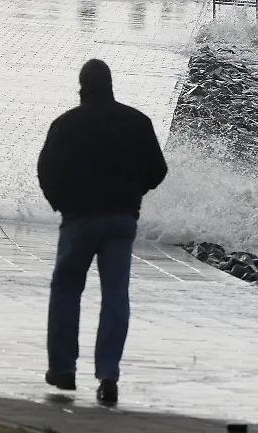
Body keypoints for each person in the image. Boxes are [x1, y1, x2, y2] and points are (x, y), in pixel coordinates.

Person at [37, 58, 168, 406]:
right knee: (115, 295)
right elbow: (158, 170)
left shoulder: (66, 125)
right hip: (121, 219)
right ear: (111, 85)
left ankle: (63, 370)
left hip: (79, 218)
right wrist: (133, 193)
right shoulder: (137, 122)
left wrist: (61, 202)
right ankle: (108, 374)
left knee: (66, 290)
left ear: (82, 86)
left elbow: (46, 170)